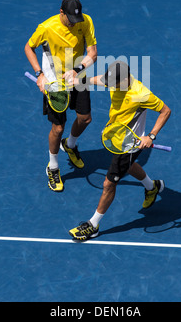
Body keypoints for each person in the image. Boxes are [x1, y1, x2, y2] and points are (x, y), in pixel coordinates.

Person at [69, 60, 171, 240]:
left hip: (130, 143)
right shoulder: (114, 80)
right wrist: (79, 80)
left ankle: (93, 225)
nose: (109, 86)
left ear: (123, 80)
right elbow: (100, 80)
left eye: (112, 83)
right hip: (116, 137)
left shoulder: (140, 93)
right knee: (129, 167)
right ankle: (152, 186)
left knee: (109, 184)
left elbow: (165, 111)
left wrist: (151, 136)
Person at [24, 0, 97, 192]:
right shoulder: (46, 27)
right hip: (54, 81)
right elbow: (28, 47)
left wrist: (78, 68)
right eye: (70, 19)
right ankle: (53, 166)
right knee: (58, 128)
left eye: (77, 19)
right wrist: (39, 74)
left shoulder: (86, 21)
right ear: (61, 12)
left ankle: (70, 144)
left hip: (76, 75)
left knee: (85, 119)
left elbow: (93, 53)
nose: (75, 23)